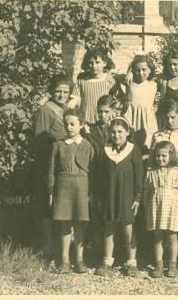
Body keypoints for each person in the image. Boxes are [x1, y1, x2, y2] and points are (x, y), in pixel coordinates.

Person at [47, 108, 95, 274]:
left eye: (72, 124)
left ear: (81, 125)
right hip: (63, 186)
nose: (69, 127)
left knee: (80, 223)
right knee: (64, 223)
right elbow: (52, 170)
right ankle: (65, 260)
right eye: (66, 124)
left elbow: (93, 169)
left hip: (82, 187)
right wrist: (51, 191)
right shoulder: (58, 145)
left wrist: (91, 193)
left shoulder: (88, 145)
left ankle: (80, 259)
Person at [94, 117, 143, 277]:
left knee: (128, 228)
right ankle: (107, 261)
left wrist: (137, 198)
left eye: (120, 131)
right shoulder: (104, 150)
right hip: (109, 196)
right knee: (109, 227)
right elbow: (100, 177)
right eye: (113, 132)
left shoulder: (133, 150)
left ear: (127, 132)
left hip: (127, 196)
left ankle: (131, 262)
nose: (116, 135)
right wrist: (100, 198)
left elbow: (138, 176)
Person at [31, 73, 71, 261]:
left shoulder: (67, 109)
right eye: (58, 91)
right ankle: (47, 244)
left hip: (64, 162)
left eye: (65, 92)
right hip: (48, 160)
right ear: (51, 91)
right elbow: (40, 139)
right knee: (46, 204)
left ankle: (61, 244)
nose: (62, 95)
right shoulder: (46, 109)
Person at [81, 94, 124, 256]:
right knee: (96, 213)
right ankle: (97, 251)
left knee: (113, 214)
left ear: (113, 111)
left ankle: (116, 252)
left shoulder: (119, 130)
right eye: (100, 111)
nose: (103, 115)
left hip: (113, 177)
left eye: (106, 111)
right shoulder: (90, 130)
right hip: (95, 177)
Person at [143, 141, 178, 278]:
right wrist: (145, 208)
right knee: (158, 237)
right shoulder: (151, 173)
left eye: (164, 156)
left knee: (173, 236)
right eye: (157, 156)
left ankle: (173, 264)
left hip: (173, 206)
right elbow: (147, 193)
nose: (160, 159)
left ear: (171, 156)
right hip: (156, 206)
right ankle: (159, 264)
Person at [67, 48, 118, 124]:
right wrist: (66, 110)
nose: (94, 66)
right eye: (91, 63)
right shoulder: (82, 78)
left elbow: (114, 102)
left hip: (103, 120)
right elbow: (75, 99)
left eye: (97, 62)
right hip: (86, 120)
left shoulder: (109, 79)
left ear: (105, 63)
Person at [122, 55, 159, 154]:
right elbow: (117, 76)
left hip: (147, 121)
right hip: (132, 119)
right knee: (131, 148)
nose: (141, 73)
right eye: (137, 70)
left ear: (150, 70)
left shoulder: (153, 85)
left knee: (148, 148)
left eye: (144, 70)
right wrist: (129, 72)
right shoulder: (129, 84)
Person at [150, 98, 178, 174]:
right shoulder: (158, 136)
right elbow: (151, 160)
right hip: (160, 173)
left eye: (173, 117)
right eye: (167, 117)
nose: (169, 121)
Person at [156, 51, 178, 130]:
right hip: (166, 122)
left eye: (175, 64)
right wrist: (130, 72)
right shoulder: (163, 82)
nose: (172, 67)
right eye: (169, 65)